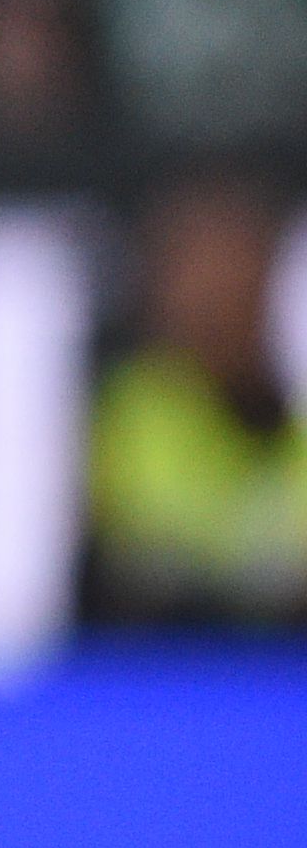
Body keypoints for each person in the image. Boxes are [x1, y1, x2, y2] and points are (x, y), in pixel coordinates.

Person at [84, 181, 307, 629]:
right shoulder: (138, 411)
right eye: (199, 280)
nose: (217, 301)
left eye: (240, 277)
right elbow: (151, 559)